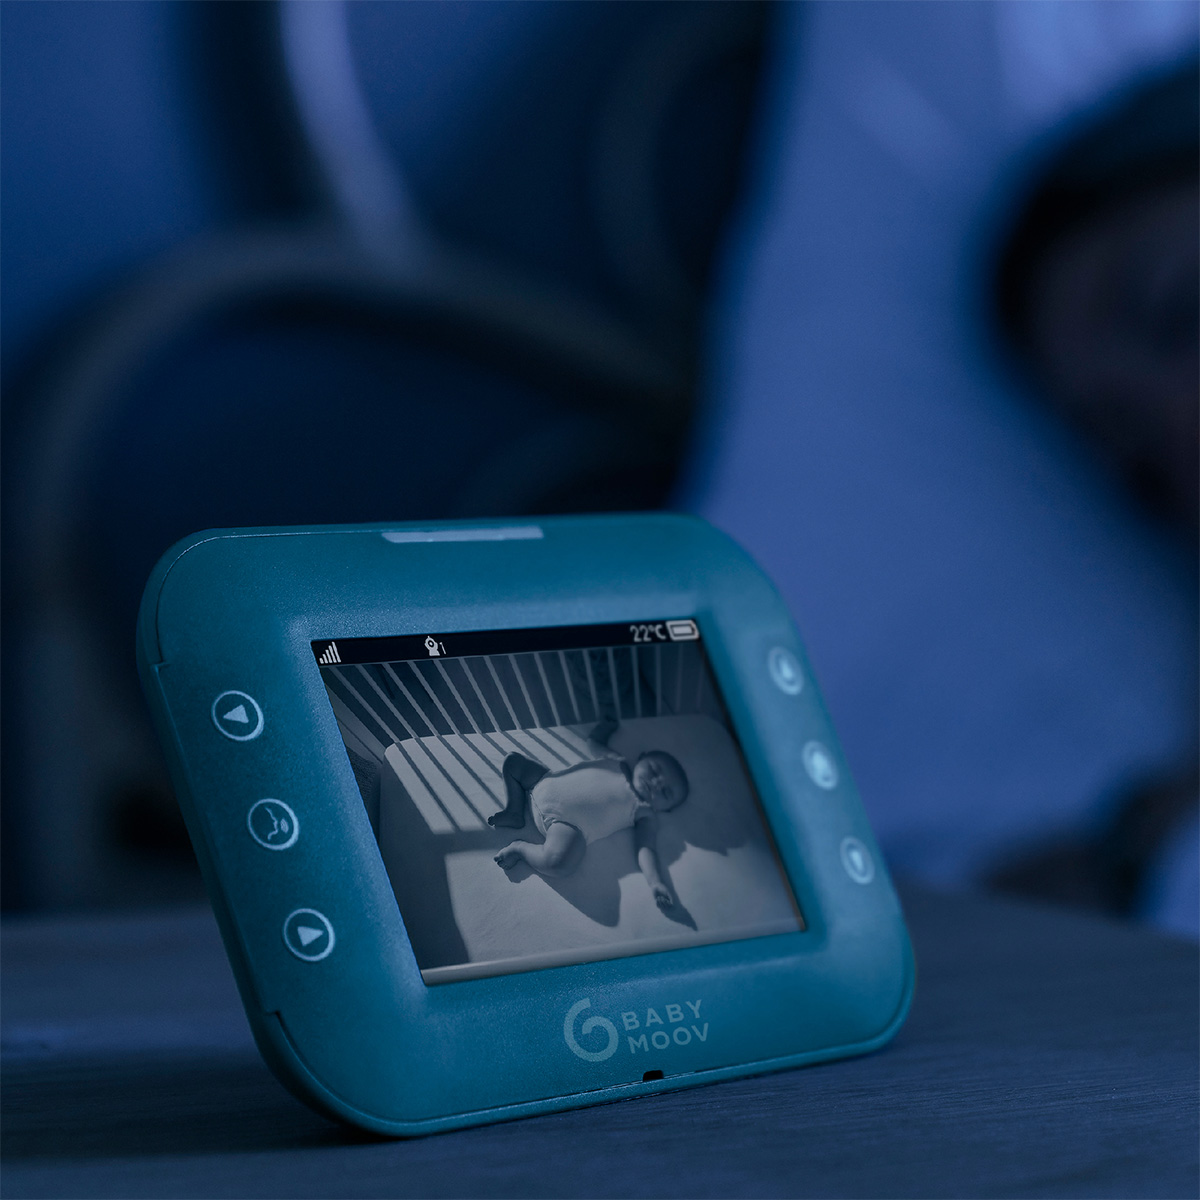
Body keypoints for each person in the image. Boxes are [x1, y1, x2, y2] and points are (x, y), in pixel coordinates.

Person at [490, 717, 688, 908]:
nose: (655, 783)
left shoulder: (643, 813)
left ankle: (520, 849)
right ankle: (514, 810)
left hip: (566, 825)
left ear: (665, 809)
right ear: (642, 758)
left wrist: (655, 882)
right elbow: (594, 743)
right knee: (513, 761)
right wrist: (605, 729)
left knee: (559, 863)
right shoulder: (618, 761)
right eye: (654, 770)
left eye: (665, 792)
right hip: (543, 781)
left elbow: (646, 849)